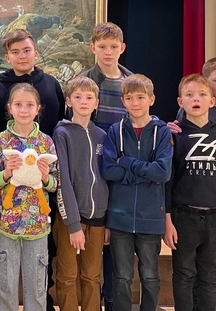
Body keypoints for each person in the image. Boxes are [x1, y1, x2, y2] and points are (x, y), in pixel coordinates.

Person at [168, 57, 216, 311]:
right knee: (184, 274)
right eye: (189, 95)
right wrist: (167, 220)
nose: (195, 99)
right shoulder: (174, 137)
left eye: (202, 94)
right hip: (183, 217)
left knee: (210, 276)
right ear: (180, 102)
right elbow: (168, 182)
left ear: (211, 101)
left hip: (215, 219)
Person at [102, 74, 172, 311]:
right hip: (119, 218)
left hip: (150, 217)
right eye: (129, 98)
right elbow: (108, 170)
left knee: (150, 276)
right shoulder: (115, 131)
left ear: (151, 99)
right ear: (123, 101)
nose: (135, 103)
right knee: (121, 276)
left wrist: (127, 162)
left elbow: (162, 172)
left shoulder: (162, 132)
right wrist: (143, 175)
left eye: (140, 97)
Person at [0, 83, 58, 311]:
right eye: (18, 104)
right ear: (9, 108)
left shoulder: (46, 142)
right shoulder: (0, 141)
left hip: (37, 227)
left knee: (36, 288)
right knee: (4, 287)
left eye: (29, 105)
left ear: (38, 109)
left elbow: (54, 185)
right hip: (6, 224)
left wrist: (45, 177)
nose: (24, 110)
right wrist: (7, 172)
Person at [78, 22, 132, 311]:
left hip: (122, 169)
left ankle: (111, 298)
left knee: (116, 236)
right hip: (92, 169)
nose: (108, 52)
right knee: (92, 233)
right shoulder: (84, 82)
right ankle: (87, 298)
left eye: (113, 47)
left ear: (122, 48)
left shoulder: (132, 82)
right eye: (102, 47)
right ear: (93, 48)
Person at [52, 76, 108, 311]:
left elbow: (106, 178)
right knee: (67, 276)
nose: (83, 102)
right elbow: (63, 180)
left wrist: (108, 221)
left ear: (96, 103)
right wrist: (73, 224)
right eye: (78, 97)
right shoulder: (61, 133)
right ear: (68, 101)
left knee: (92, 276)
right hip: (70, 219)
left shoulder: (102, 136)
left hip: (98, 219)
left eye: (89, 97)